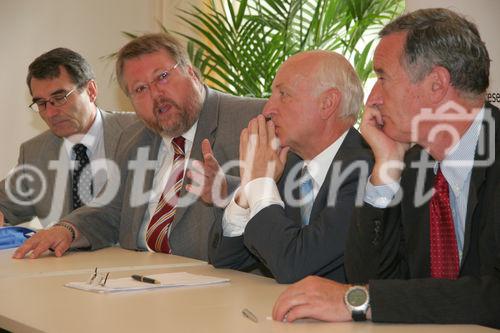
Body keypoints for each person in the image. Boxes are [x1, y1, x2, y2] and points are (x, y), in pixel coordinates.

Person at [272, 8, 500, 328]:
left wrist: (361, 301)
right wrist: (385, 171)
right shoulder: (413, 161)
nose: (373, 99)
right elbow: (368, 275)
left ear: (436, 84)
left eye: (382, 77)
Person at [13, 33, 264, 260]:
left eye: (162, 77)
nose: (156, 95)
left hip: (216, 285)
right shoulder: (135, 137)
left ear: (191, 73)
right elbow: (111, 210)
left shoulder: (251, 120)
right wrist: (66, 229)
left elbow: (286, 206)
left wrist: (228, 190)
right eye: (140, 89)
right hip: (136, 275)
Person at [208, 51, 373, 283]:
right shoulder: (288, 164)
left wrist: (261, 184)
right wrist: (248, 188)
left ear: (328, 103)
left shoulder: (367, 170)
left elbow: (295, 265)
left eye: (283, 94)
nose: (268, 110)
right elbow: (226, 259)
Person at [0, 48, 137, 228]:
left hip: (131, 254)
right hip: (65, 255)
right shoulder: (34, 152)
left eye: (60, 97)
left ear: (91, 91)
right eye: (41, 103)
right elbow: (5, 204)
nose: (50, 112)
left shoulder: (138, 130)